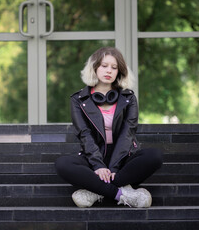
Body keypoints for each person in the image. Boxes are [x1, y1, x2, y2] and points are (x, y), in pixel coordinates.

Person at [55, 47, 163, 208]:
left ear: (119, 72)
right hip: (93, 157)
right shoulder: (78, 99)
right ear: (95, 67)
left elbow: (128, 132)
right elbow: (84, 134)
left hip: (123, 158)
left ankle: (95, 191)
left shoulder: (128, 98)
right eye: (104, 66)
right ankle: (121, 194)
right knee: (62, 164)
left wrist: (113, 167)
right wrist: (98, 166)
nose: (109, 71)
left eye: (114, 67)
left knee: (154, 156)